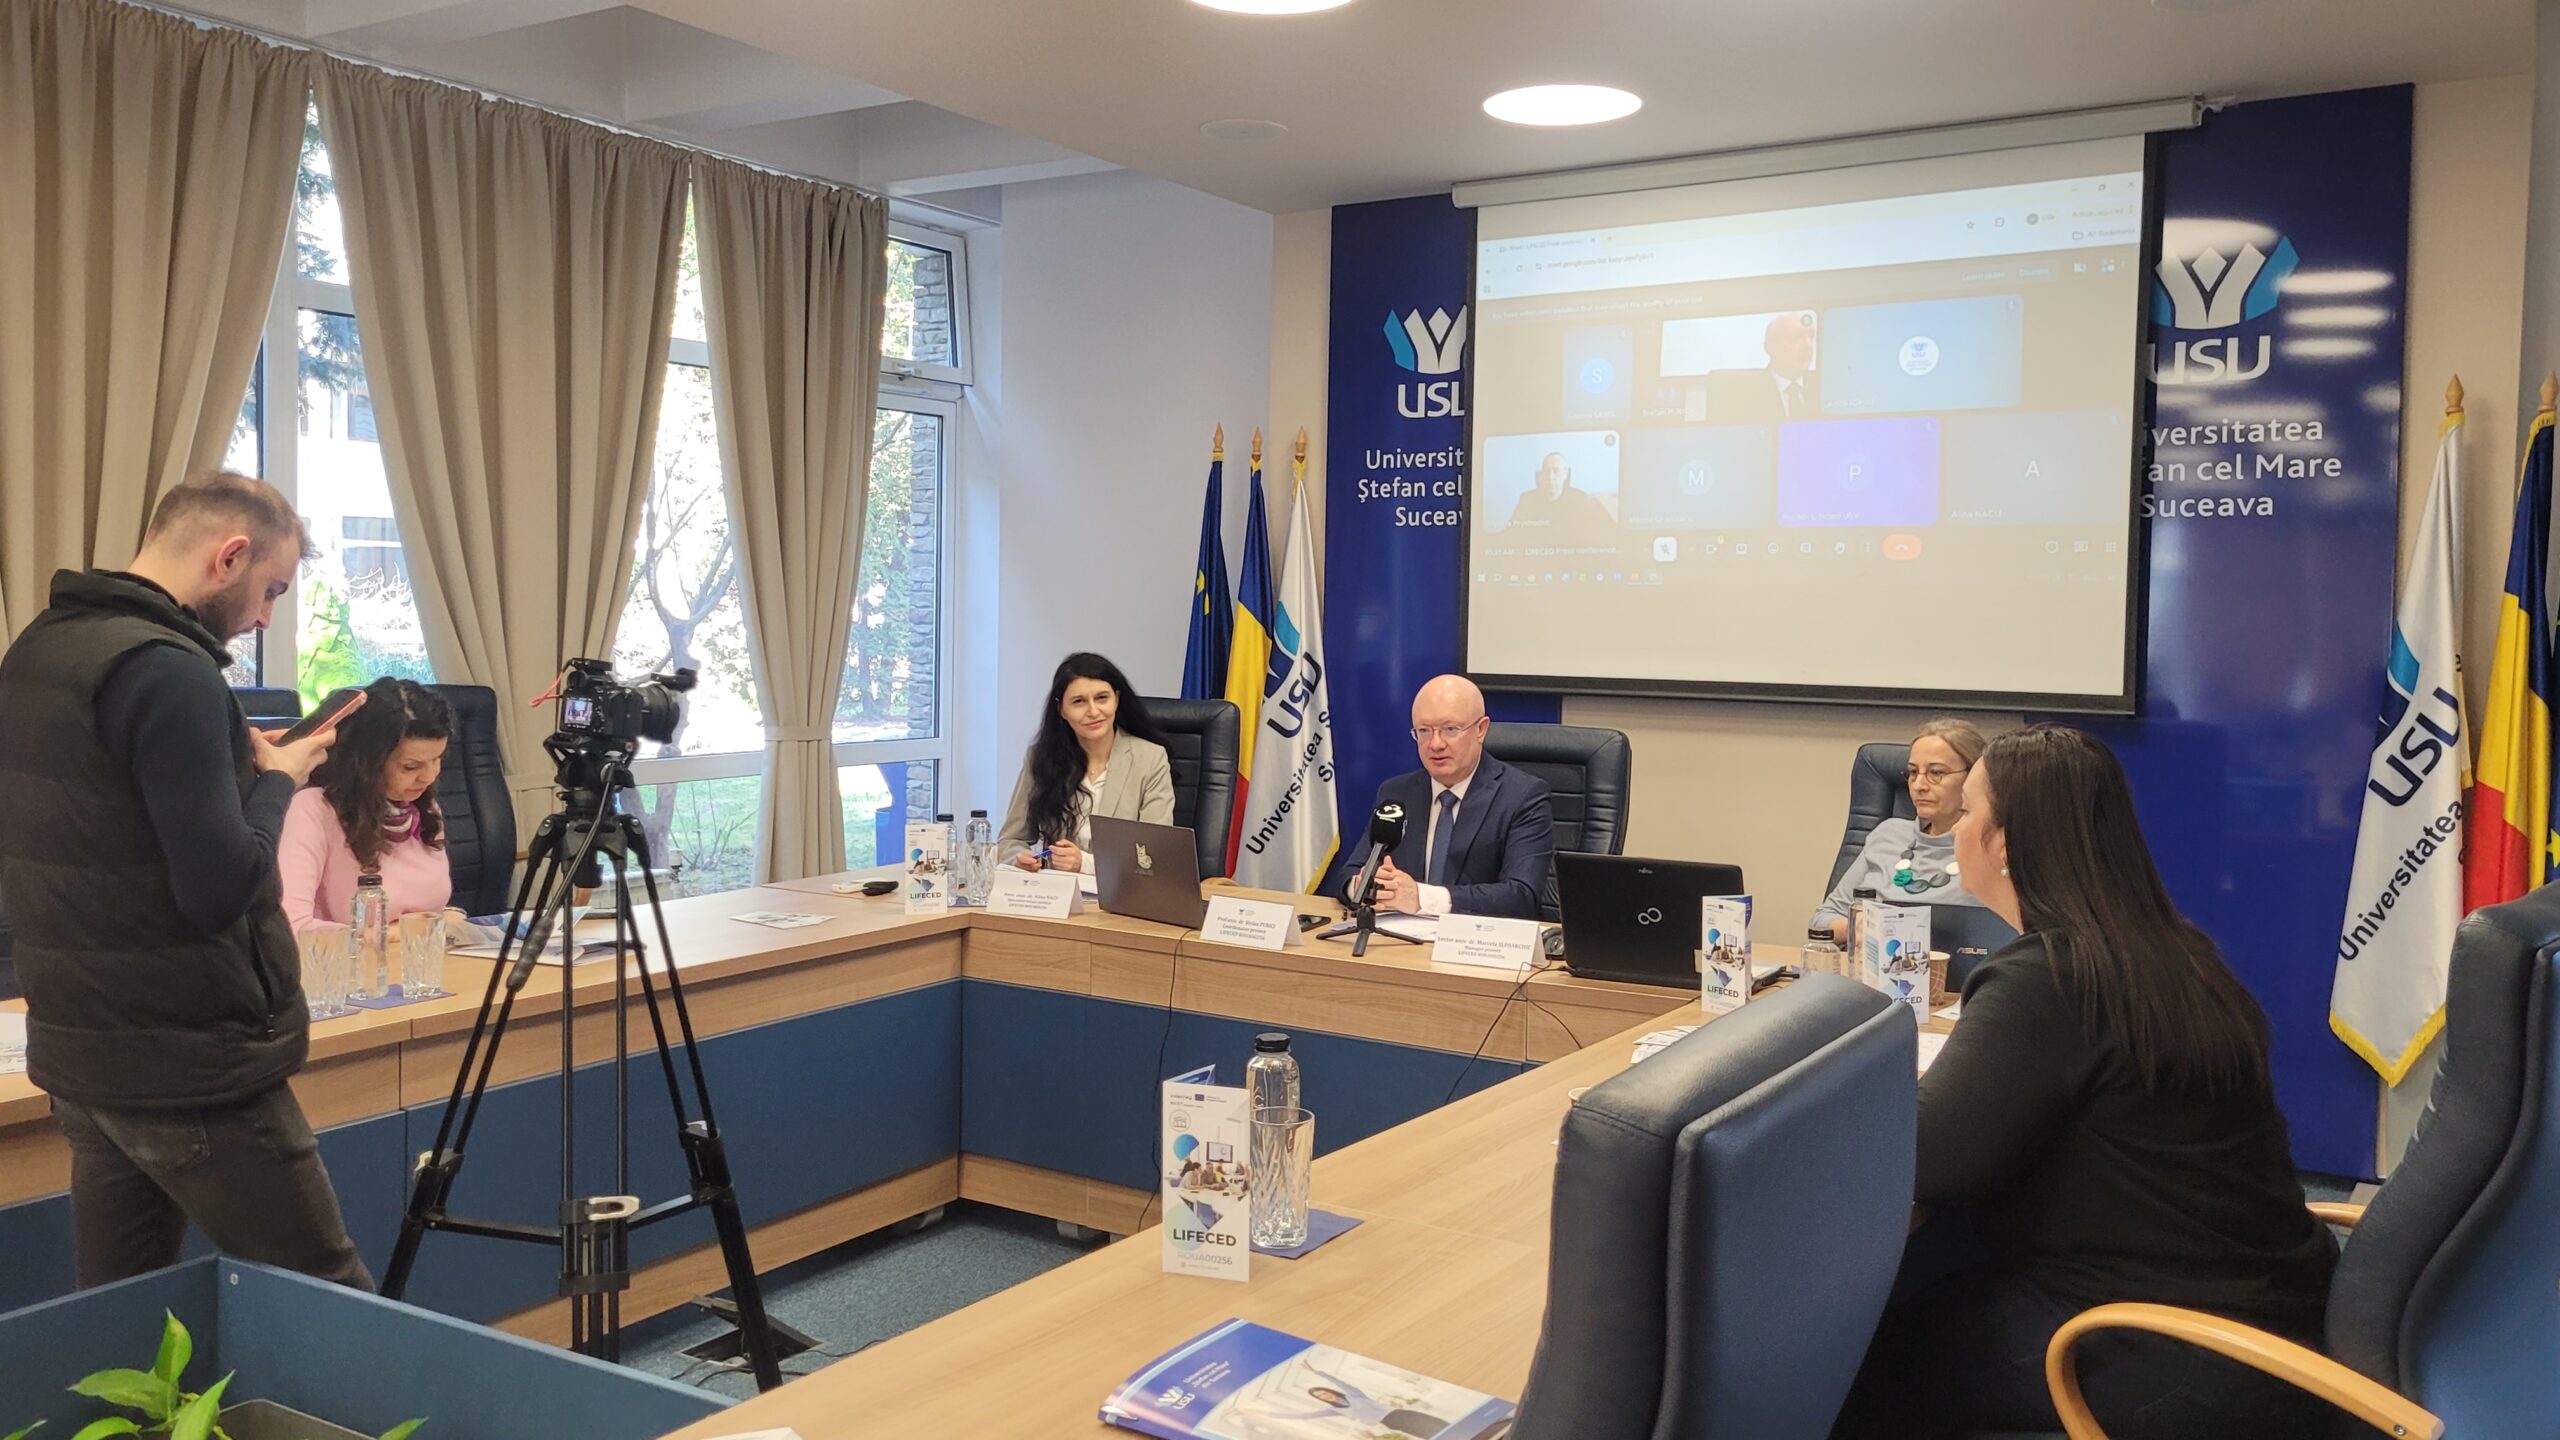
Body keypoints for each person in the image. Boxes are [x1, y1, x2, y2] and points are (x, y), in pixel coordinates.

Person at [1830, 726, 2338, 1440]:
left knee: (1840, 1366)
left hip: (2169, 1347)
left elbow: (1928, 1161)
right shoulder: (2176, 951)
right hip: (2270, 1312)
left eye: (1969, 812)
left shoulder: (2048, 979)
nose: (1957, 829)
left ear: (2006, 844)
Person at [0, 471, 373, 1291]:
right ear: (229, 556)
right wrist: (278, 780)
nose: (265, 616)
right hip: (190, 1065)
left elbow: (105, 832)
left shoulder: (38, 649)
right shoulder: (172, 672)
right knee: (331, 1303)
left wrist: (229, 769)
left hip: (85, 1054)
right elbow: (221, 888)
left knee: (124, 1314)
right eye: (271, 589)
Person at [1359, 675, 1553, 919]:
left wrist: (1422, 898)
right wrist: (1363, 886)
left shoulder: (1523, 796)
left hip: (1477, 938)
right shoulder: (1397, 793)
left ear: (1481, 730)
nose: (1435, 744)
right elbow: (1351, 873)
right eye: (1424, 731)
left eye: (1450, 730)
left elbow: (1521, 895)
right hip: (1398, 937)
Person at [278, 678, 454, 934]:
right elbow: (291, 928)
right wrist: (408, 931)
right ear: (367, 763)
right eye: (411, 767)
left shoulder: (424, 808)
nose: (428, 777)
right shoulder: (313, 810)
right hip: (345, 960)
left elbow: (431, 912)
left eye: (437, 759)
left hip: (420, 957)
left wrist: (442, 920)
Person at [1812, 717, 1991, 942]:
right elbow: (1822, 918)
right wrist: (1860, 927)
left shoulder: (1993, 846)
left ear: (1974, 777)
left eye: (1936, 773)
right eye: (1913, 772)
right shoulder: (1888, 834)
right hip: (1873, 960)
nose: (1919, 786)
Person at [998, 652, 1175, 873]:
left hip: (1122, 890)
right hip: (1058, 889)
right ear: (1061, 709)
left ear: (1116, 699)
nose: (1093, 711)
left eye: (1102, 698)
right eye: (1079, 702)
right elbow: (1011, 840)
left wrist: (1085, 864)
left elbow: (1153, 853)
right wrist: (1020, 859)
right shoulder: (1041, 757)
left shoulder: (1150, 758)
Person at [1703, 310, 1820, 424]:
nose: (1807, 345)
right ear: (1769, 348)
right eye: (1795, 338)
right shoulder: (1743, 397)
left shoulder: (1821, 387)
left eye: (1811, 337)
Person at [1504, 451, 1612, 535]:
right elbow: (1510, 532)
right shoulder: (1527, 499)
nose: (1551, 477)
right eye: (1547, 471)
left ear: (1565, 474)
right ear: (1541, 475)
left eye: (1556, 471)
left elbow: (1594, 533)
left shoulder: (1580, 499)